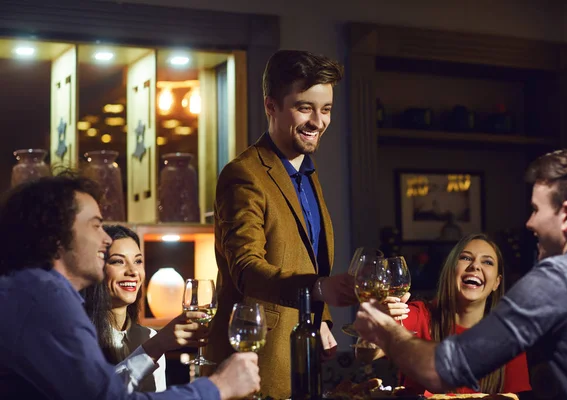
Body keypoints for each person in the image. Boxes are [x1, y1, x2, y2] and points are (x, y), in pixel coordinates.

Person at [354, 148, 567, 399]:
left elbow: (444, 370)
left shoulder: (557, 278)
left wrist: (384, 329)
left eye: (536, 210)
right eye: (466, 258)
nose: (529, 223)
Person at [0, 172, 260, 400]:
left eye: (138, 261)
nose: (105, 239)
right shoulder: (45, 300)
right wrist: (218, 387)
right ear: (56, 236)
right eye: (95, 226)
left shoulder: (36, 294)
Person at [207, 49, 357, 399]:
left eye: (326, 109)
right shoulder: (243, 174)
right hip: (254, 363)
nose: (318, 122)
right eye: (305, 107)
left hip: (300, 356)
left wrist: (320, 318)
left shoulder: (306, 173)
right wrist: (318, 290)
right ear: (271, 106)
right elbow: (246, 269)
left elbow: (300, 258)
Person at [355, 234, 531, 396]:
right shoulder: (420, 315)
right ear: (450, 271)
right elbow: (365, 354)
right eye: (466, 258)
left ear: (496, 283)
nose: (475, 266)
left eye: (487, 262)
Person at [81, 224, 207, 392]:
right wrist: (156, 346)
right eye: (118, 261)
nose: (133, 271)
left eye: (138, 261)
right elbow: (99, 394)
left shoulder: (148, 336)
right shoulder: (80, 336)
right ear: (95, 269)